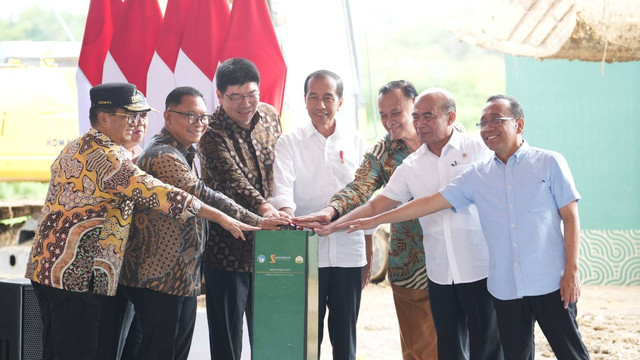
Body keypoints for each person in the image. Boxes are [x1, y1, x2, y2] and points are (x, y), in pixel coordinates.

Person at [340, 94, 591, 360]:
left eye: (496, 120)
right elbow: (429, 203)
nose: (488, 128)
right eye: (482, 123)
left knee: (570, 352)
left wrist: (571, 272)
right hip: (505, 288)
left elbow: (571, 217)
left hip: (550, 282)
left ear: (519, 124)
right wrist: (372, 220)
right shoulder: (476, 174)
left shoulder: (549, 162)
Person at [25, 82, 259, 360]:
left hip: (57, 270)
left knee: (60, 349)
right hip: (76, 274)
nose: (139, 124)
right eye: (130, 116)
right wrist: (222, 217)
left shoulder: (82, 145)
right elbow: (160, 193)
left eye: (143, 116)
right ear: (103, 118)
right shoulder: (106, 158)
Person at [315, 88, 503, 359]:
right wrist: (334, 221)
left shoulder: (478, 150)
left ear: (450, 118)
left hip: (480, 268)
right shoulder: (410, 165)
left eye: (428, 116)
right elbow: (375, 203)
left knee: (488, 348)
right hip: (436, 272)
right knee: (445, 349)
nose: (420, 123)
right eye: (417, 117)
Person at [295, 80, 438, 360]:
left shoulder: (448, 141)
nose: (389, 122)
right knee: (418, 347)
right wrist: (333, 210)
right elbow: (361, 186)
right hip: (411, 264)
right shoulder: (384, 150)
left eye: (395, 112)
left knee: (465, 341)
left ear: (415, 104)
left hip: (462, 260)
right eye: (383, 115)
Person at [271, 70, 368, 360]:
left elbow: (365, 193)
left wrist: (369, 251)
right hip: (306, 252)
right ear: (304, 100)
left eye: (328, 97)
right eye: (313, 96)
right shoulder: (290, 141)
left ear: (340, 102)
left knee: (345, 335)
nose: (320, 104)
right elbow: (282, 188)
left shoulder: (356, 141)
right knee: (305, 335)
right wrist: (290, 221)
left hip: (350, 251)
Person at [198, 58, 290, 360]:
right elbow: (233, 180)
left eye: (251, 94)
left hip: (271, 247)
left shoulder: (271, 116)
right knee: (227, 340)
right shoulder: (210, 132)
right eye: (235, 97)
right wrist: (266, 209)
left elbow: (282, 168)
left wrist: (283, 207)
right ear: (220, 96)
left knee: (271, 334)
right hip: (227, 248)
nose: (245, 103)